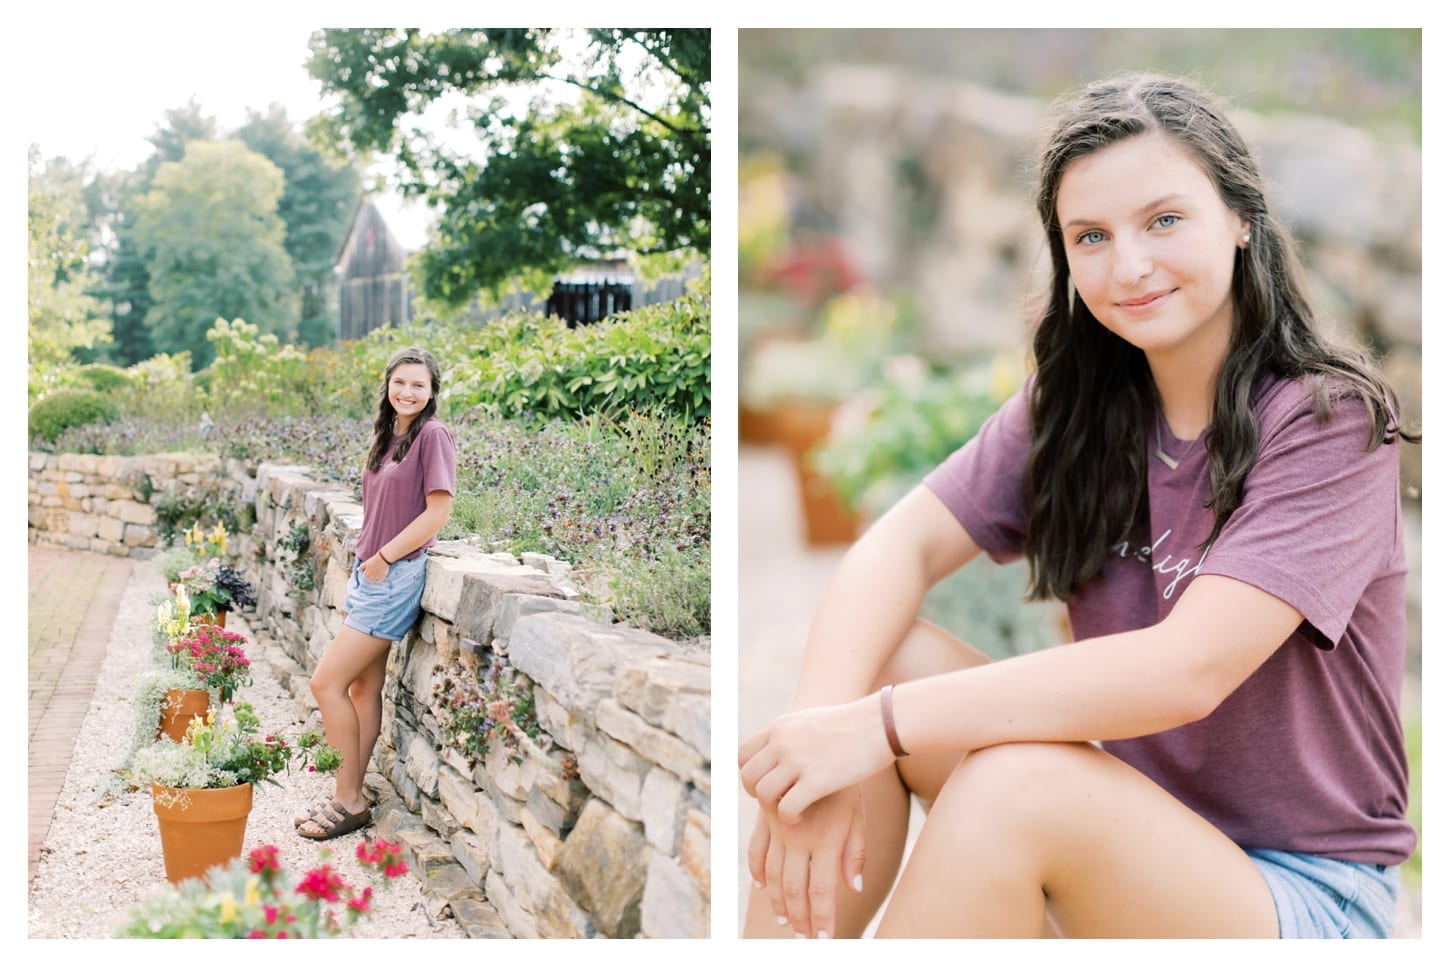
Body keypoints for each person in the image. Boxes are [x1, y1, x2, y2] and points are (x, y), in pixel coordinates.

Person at [738, 72, 1419, 939]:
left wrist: (875, 730)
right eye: (1090, 236)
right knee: (880, 659)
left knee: (1007, 783)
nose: (1128, 266)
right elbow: (894, 548)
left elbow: (1185, 670)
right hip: (1128, 823)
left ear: (1242, 218)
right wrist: (818, 745)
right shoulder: (1081, 407)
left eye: (1164, 220)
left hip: (1300, 894)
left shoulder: (1328, 423)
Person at [296, 347, 456, 840]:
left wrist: (384, 558)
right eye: (400, 382)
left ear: (431, 393)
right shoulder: (388, 437)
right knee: (364, 688)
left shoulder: (432, 435)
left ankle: (348, 800)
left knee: (326, 683)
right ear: (387, 384)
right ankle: (351, 790)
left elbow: (437, 513)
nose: (408, 392)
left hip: (395, 575)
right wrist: (366, 563)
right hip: (371, 576)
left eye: (419, 385)